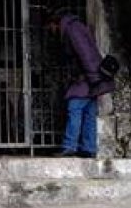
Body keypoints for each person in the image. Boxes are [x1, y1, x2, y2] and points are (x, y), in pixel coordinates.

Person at [45, 10, 115, 158]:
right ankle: (88, 148)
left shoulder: (71, 29)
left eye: (49, 27)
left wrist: (93, 78)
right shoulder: (75, 27)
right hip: (90, 76)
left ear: (54, 23)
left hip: (87, 76)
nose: (50, 31)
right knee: (89, 110)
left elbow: (85, 54)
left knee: (74, 106)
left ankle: (70, 145)